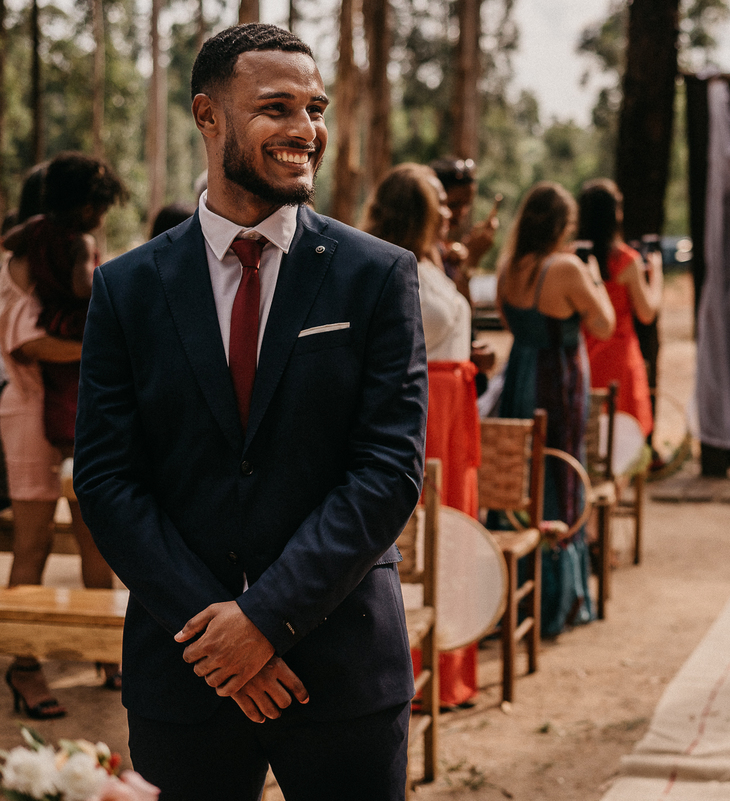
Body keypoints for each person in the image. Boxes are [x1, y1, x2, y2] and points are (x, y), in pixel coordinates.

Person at [73, 23, 426, 801]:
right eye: (277, 108)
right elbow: (106, 479)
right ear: (208, 116)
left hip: (340, 671)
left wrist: (264, 619)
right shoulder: (126, 289)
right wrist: (215, 631)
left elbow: (387, 471)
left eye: (315, 107)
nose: (306, 130)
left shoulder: (377, 277)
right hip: (184, 670)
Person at [0, 162, 122, 720]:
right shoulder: (18, 261)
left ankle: (107, 649)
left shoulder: (59, 251)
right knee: (34, 543)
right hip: (28, 411)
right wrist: (102, 347)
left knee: (99, 534)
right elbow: (27, 344)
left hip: (73, 410)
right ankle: (24, 663)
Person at [363, 163, 481, 708]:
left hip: (456, 407)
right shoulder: (391, 263)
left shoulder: (436, 259)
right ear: (416, 208)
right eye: (439, 198)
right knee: (424, 534)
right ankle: (406, 666)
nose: (450, 207)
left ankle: (451, 669)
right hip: (424, 410)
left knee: (456, 533)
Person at [495, 181, 614, 637]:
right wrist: (596, 278)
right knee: (563, 475)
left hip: (521, 376)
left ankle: (521, 586)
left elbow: (511, 323)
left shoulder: (509, 269)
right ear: (564, 226)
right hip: (560, 383)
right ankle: (560, 595)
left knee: (525, 474)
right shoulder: (565, 268)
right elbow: (605, 323)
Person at [3, 153, 129, 451]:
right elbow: (82, 287)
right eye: (102, 211)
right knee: (84, 383)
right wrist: (113, 280)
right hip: (76, 322)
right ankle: (78, 441)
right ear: (87, 209)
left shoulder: (35, 227)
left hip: (51, 317)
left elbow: (7, 241)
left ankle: (63, 437)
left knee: (59, 386)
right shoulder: (82, 243)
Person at [577, 179, 662, 437]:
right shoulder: (626, 260)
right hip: (620, 358)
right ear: (615, 214)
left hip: (584, 354)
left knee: (589, 433)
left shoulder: (572, 259)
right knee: (623, 434)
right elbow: (646, 313)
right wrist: (656, 274)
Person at [430, 157, 498, 298]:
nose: (461, 213)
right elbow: (454, 310)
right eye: (454, 204)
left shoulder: (444, 249)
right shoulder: (420, 252)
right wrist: (472, 259)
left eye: (467, 204)